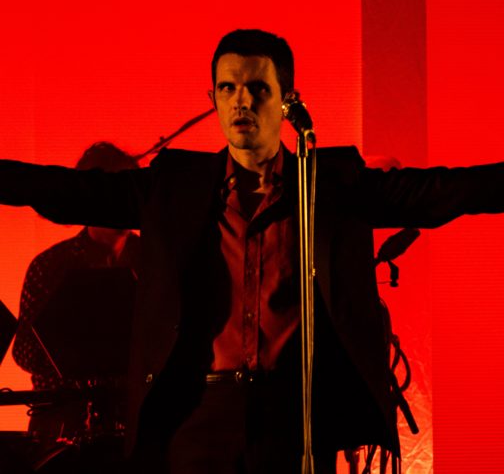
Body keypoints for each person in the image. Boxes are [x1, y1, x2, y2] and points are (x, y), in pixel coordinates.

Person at [2, 29, 504, 473]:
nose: (241, 101)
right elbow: (70, 192)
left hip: (294, 415)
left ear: (287, 99)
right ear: (214, 99)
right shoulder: (175, 186)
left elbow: (436, 193)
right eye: (227, 88)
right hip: (198, 410)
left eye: (257, 88)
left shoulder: (329, 183)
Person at [11, 142, 142, 469]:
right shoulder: (52, 265)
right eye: (110, 192)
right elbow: (25, 351)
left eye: (127, 191)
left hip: (139, 428)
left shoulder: (155, 260)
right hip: (63, 433)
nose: (121, 202)